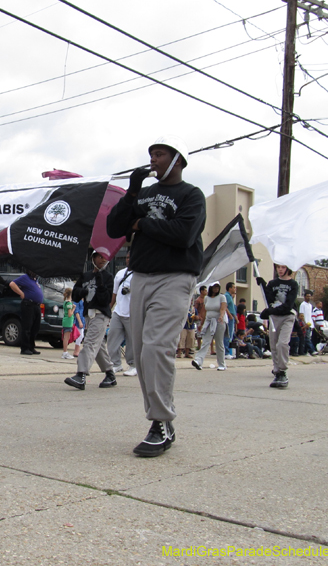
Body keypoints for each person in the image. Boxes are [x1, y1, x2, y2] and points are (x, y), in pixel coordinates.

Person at [106, 134, 206, 457]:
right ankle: (162, 421)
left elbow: (184, 234)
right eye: (151, 154)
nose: (153, 159)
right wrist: (132, 192)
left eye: (160, 154)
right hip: (141, 277)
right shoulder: (145, 194)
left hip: (175, 278)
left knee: (156, 349)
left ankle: (160, 422)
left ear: (178, 160)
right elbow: (113, 227)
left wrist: (142, 224)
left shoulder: (192, 195)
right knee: (138, 352)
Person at [64, 251, 115, 390]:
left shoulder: (108, 277)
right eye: (99, 256)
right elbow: (74, 294)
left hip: (101, 315)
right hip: (88, 315)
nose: (102, 259)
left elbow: (106, 300)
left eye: (104, 257)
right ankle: (110, 374)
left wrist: (100, 282)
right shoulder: (86, 276)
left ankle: (81, 375)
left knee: (90, 343)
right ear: (93, 258)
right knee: (97, 346)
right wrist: (83, 292)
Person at [256, 264, 299, 389]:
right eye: (278, 267)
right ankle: (277, 370)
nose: (280, 270)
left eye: (283, 267)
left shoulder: (293, 284)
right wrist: (263, 285)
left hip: (287, 317)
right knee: (274, 346)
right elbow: (269, 299)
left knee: (282, 344)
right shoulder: (272, 283)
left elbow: (288, 305)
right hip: (274, 318)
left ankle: (283, 370)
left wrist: (271, 311)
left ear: (288, 268)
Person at [191, 282, 227, 371]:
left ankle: (221, 364)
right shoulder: (206, 298)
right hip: (208, 321)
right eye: (214, 287)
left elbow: (223, 308)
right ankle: (198, 361)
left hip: (219, 321)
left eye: (217, 287)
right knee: (206, 341)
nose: (216, 289)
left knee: (219, 343)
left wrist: (221, 316)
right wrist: (202, 323)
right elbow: (204, 311)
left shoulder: (222, 297)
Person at [107, 253, 134, 373]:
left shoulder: (141, 275)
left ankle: (134, 365)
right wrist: (109, 309)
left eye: (131, 257)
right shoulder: (120, 273)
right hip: (118, 311)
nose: (129, 259)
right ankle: (116, 363)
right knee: (112, 337)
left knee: (132, 341)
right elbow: (114, 293)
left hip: (132, 313)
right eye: (127, 257)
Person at [9, 271, 43, 356]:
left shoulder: (35, 280)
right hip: (28, 304)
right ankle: (25, 348)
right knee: (27, 326)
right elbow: (12, 284)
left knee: (35, 327)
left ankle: (31, 347)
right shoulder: (25, 277)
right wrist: (21, 293)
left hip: (37, 305)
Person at [60, 287, 76, 360]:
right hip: (68, 321)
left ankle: (65, 352)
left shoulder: (65, 302)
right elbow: (70, 314)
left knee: (65, 337)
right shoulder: (69, 303)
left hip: (65, 320)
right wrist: (73, 309)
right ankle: (65, 352)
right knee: (66, 337)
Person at [223, 282, 237, 359]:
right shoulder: (227, 296)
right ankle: (226, 352)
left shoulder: (230, 296)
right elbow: (225, 306)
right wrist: (230, 315)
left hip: (232, 317)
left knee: (230, 335)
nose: (235, 289)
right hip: (229, 318)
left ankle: (228, 351)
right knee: (227, 334)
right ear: (230, 288)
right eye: (234, 287)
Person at [193, 285, 207, 351]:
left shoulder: (207, 299)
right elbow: (195, 309)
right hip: (200, 318)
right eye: (205, 290)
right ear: (201, 291)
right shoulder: (198, 300)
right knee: (199, 334)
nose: (206, 292)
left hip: (206, 318)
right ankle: (199, 346)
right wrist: (198, 316)